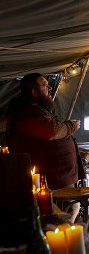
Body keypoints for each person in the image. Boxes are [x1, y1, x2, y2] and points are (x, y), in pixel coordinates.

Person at [5, 73, 84, 222]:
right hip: (48, 176)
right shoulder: (26, 113)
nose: (49, 87)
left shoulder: (34, 110)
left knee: (70, 208)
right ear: (34, 92)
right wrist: (70, 126)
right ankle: (60, 241)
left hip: (58, 175)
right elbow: (51, 131)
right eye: (44, 85)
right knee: (60, 213)